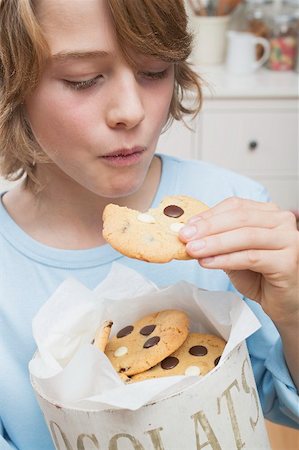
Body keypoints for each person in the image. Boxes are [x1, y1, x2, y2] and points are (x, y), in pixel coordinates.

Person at [0, 0, 298, 448]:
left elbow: (284, 406)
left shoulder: (234, 206)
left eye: (155, 71)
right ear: (10, 83)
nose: (131, 111)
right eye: (82, 80)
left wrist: (292, 311)